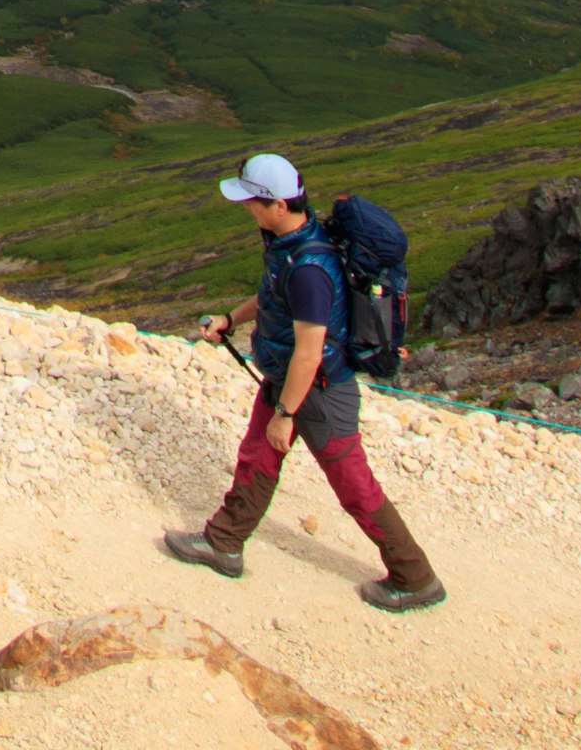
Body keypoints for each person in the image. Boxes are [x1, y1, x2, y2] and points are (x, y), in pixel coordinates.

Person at [165, 151, 444, 611]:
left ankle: (415, 577)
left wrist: (286, 414)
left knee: (354, 486)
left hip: (316, 394)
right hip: (289, 380)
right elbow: (273, 295)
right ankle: (223, 542)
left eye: (252, 201)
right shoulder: (292, 245)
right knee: (257, 457)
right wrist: (230, 318)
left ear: (278, 205)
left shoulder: (310, 269)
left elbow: (310, 352)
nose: (245, 208)